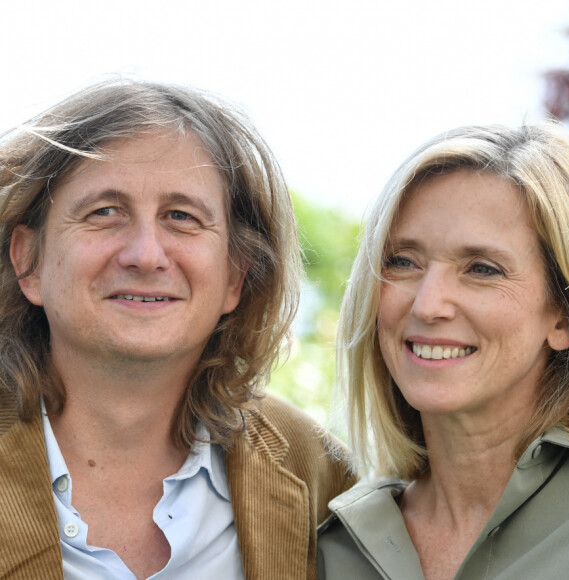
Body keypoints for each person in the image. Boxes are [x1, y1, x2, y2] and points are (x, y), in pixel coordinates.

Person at [0, 79, 356, 579]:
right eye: (104, 212)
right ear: (28, 261)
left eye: (182, 217)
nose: (146, 254)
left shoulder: (315, 471)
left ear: (234, 275)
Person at [318, 121, 569, 579]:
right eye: (403, 261)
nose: (427, 304)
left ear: (565, 318)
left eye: (482, 268)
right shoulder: (331, 546)